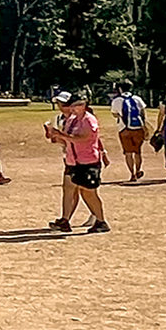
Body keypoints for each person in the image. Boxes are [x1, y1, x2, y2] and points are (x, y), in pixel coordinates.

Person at [44, 93, 110, 232]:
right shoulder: (72, 120)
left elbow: (83, 138)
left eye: (78, 105)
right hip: (72, 160)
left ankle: (101, 220)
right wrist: (54, 136)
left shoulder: (89, 120)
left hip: (87, 160)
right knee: (68, 189)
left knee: (88, 192)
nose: (74, 108)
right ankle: (65, 220)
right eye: (72, 105)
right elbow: (68, 139)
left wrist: (61, 135)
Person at [112, 86, 149, 183]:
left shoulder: (117, 100)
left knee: (128, 153)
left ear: (120, 88)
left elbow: (114, 114)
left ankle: (132, 174)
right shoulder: (137, 99)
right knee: (137, 152)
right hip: (138, 128)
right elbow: (142, 113)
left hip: (124, 128)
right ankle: (138, 170)